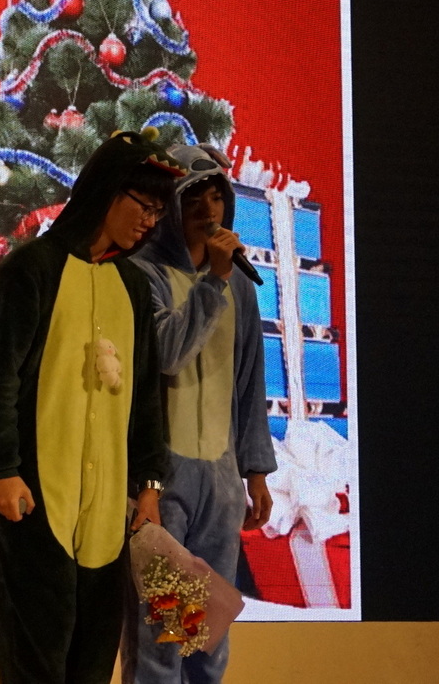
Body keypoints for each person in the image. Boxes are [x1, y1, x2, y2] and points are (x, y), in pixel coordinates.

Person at [0, 130, 182, 684]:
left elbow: (145, 397)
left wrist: (149, 486)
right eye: (143, 205)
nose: (150, 222)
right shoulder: (30, 270)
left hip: (107, 516)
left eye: (158, 212)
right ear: (106, 191)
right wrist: (3, 468)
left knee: (91, 667)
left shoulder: (133, 287)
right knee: (35, 666)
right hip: (34, 506)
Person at [128, 143, 277, 684]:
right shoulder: (143, 273)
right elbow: (168, 353)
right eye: (193, 198)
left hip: (221, 478)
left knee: (207, 640)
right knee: (163, 637)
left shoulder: (239, 285)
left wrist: (255, 472)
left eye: (216, 198)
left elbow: (249, 380)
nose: (208, 210)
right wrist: (212, 281)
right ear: (169, 206)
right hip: (163, 481)